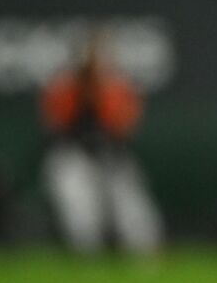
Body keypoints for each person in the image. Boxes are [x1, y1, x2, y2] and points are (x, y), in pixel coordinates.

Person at [40, 33, 163, 256]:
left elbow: (124, 126)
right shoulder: (64, 87)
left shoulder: (115, 87)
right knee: (81, 211)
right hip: (74, 155)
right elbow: (56, 126)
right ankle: (89, 260)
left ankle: (145, 259)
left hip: (112, 155)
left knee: (132, 211)